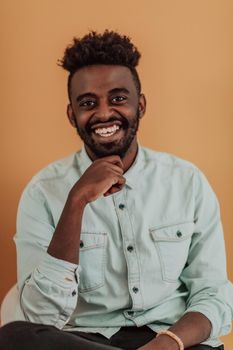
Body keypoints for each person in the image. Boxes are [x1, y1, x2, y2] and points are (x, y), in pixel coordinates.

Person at [0, 30, 232, 350]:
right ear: (72, 115)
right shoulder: (43, 193)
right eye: (88, 103)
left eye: (119, 98)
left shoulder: (187, 182)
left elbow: (214, 295)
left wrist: (167, 343)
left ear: (142, 105)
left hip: (174, 340)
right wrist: (76, 201)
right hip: (84, 341)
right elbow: (39, 316)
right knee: (15, 336)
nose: (105, 113)